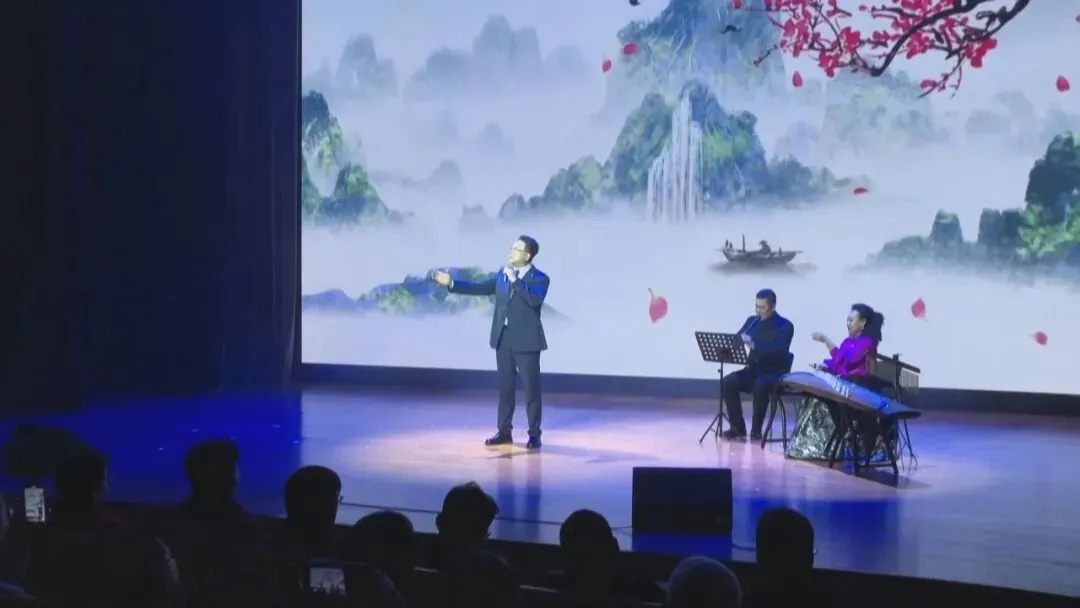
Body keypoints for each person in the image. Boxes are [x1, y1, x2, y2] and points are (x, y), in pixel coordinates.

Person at [432, 236, 551, 449]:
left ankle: (534, 434)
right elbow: (480, 287)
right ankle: (504, 431)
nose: (511, 251)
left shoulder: (540, 278)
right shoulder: (501, 275)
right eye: (511, 247)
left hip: (527, 341)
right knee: (505, 389)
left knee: (531, 390)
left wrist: (515, 280)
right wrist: (451, 283)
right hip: (503, 338)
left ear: (527, 255)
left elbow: (534, 300)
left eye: (517, 249)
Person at [787, 303, 887, 461]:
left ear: (863, 322)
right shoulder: (848, 341)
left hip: (858, 391)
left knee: (820, 402)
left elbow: (849, 360)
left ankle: (822, 447)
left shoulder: (868, 342)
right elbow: (839, 364)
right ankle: (808, 447)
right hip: (845, 385)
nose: (848, 323)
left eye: (851, 320)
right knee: (811, 397)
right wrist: (825, 366)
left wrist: (826, 340)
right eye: (847, 320)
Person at [721, 289, 795, 441]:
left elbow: (779, 351)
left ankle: (756, 430)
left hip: (774, 372)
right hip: (753, 369)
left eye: (762, 307)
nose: (758, 311)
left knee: (760, 385)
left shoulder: (785, 326)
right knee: (728, 381)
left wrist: (754, 345)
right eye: (756, 306)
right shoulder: (752, 321)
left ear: (772, 307)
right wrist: (737, 342)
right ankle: (737, 428)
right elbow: (736, 340)